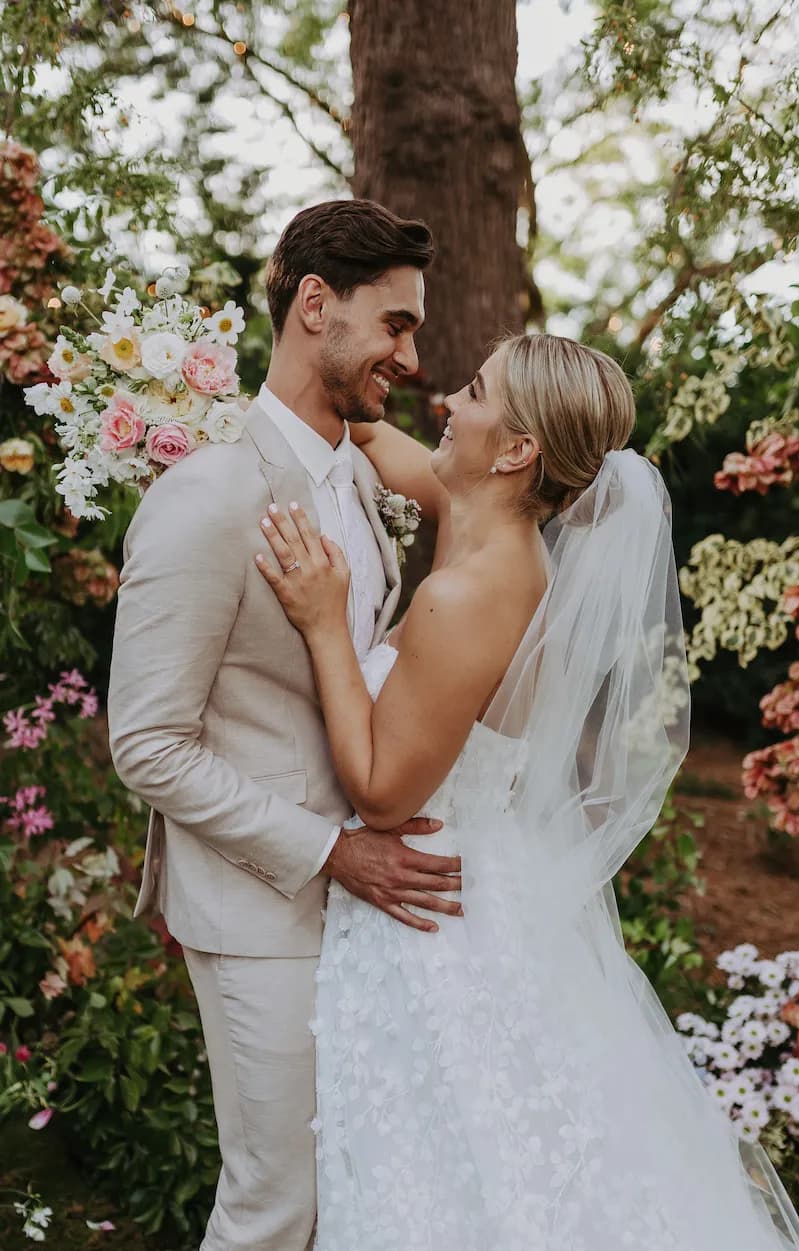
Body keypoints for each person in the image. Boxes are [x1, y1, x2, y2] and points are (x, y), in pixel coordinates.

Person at [256, 332, 799, 1250]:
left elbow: (384, 792)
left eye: (474, 392)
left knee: (440, 1185)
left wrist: (325, 621)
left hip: (425, 907)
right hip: (482, 878)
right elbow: (379, 444)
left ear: (516, 450)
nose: (448, 402)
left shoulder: (470, 592)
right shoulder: (486, 519)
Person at [107, 199, 465, 1251]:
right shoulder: (210, 494)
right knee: (274, 1210)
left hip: (358, 916)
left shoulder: (358, 481)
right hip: (260, 912)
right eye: (395, 323)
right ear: (318, 305)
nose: (409, 352)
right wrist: (331, 852)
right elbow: (146, 743)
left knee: (343, 1196)